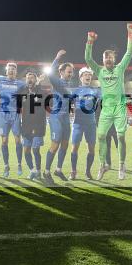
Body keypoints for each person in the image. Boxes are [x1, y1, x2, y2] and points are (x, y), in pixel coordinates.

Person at [84, 23, 132, 180]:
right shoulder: (99, 70)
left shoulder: (120, 68)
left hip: (120, 107)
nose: (108, 59)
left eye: (111, 57)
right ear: (103, 60)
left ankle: (121, 164)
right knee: (100, 136)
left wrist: (130, 34)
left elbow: (129, 52)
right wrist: (89, 41)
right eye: (106, 57)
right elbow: (87, 58)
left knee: (121, 137)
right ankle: (103, 165)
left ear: (114, 58)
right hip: (106, 109)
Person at [44, 51, 75, 184]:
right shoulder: (57, 82)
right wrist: (56, 58)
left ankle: (58, 169)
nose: (70, 74)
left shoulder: (70, 85)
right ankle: (46, 172)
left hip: (66, 118)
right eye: (68, 71)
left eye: (71, 72)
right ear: (61, 72)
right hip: (56, 116)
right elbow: (49, 73)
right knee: (55, 144)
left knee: (65, 144)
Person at [18, 69, 47, 180]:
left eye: (32, 77)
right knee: (26, 150)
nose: (29, 79)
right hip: (26, 126)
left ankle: (38, 171)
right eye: (28, 77)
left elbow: (44, 104)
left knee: (35, 149)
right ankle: (32, 170)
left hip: (38, 125)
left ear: (35, 79)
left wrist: (38, 87)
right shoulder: (22, 91)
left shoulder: (42, 91)